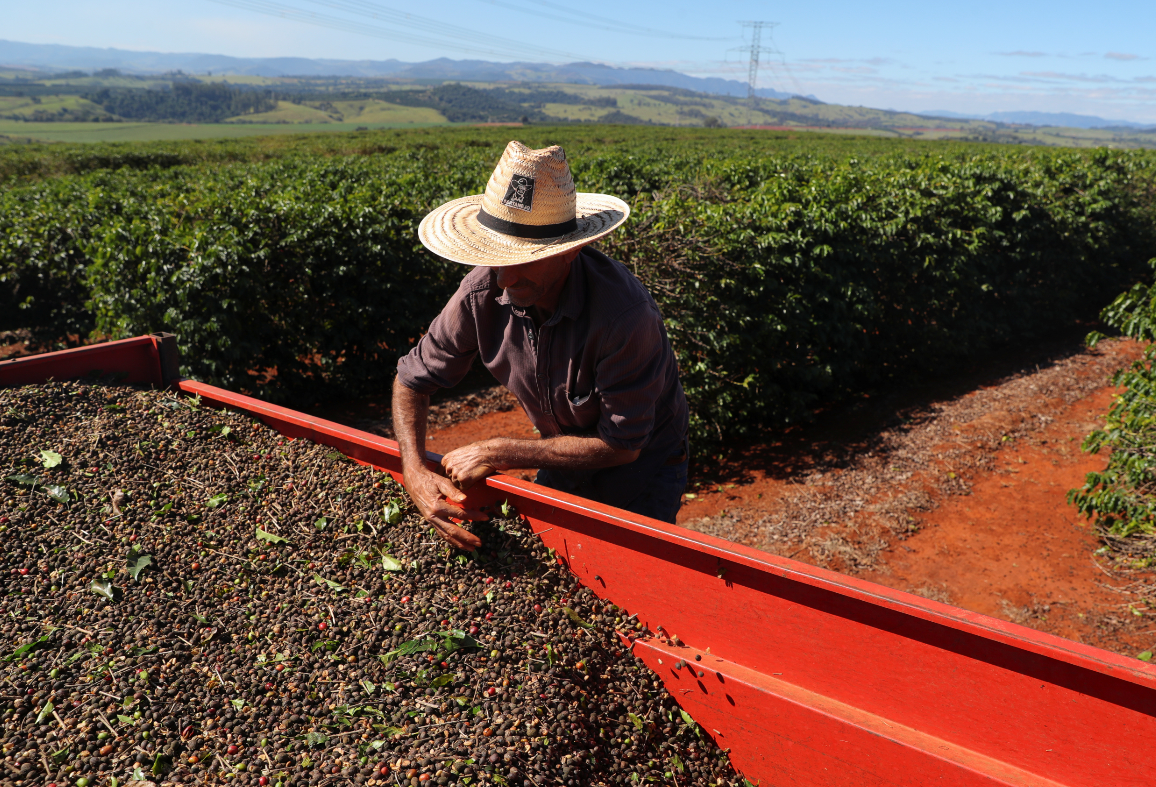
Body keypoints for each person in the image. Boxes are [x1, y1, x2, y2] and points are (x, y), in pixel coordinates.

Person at [393, 141, 689, 551]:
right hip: (562, 452)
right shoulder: (483, 290)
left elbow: (623, 447)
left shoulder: (624, 317)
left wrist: (499, 450)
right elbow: (411, 379)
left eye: (524, 262)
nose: (506, 282)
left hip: (644, 468)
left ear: (569, 252)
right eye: (499, 261)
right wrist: (413, 470)